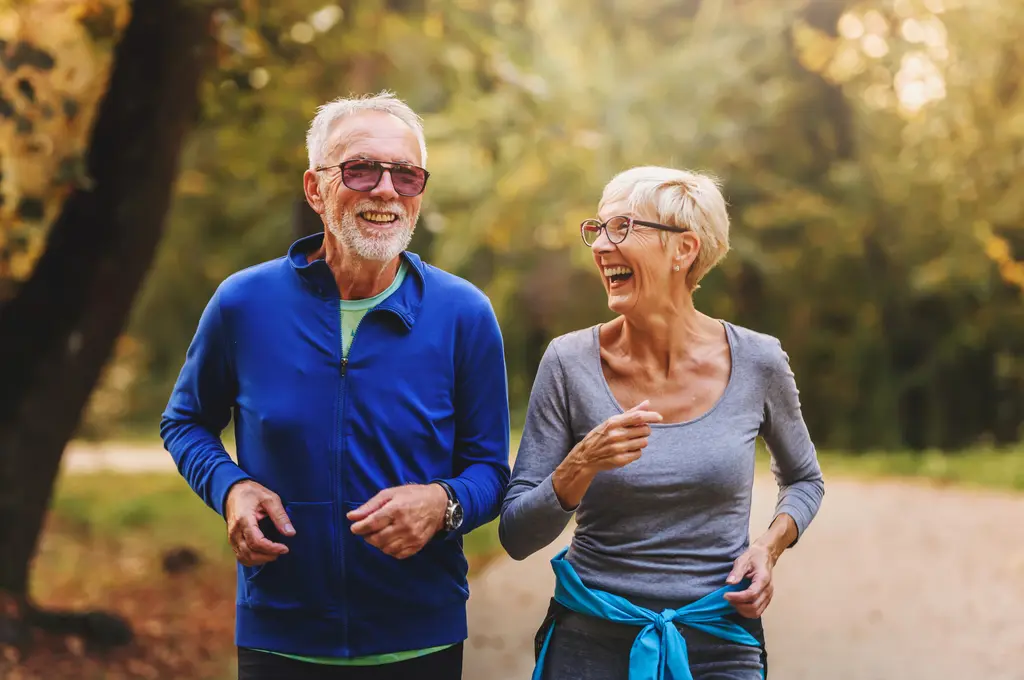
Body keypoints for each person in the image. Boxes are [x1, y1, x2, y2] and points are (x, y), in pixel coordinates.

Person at [161, 91, 511, 680]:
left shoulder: (464, 314)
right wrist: (231, 488)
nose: (385, 190)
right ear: (315, 188)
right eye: (361, 169)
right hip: (280, 639)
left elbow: (490, 472)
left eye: (406, 175)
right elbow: (185, 422)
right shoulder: (244, 304)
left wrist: (443, 504)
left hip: (419, 642)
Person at [499, 166, 825, 680]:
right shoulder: (567, 362)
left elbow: (805, 479)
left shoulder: (759, 361)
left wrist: (768, 548)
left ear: (685, 249)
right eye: (598, 229)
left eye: (623, 228)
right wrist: (579, 466)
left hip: (721, 641)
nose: (602, 246)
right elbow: (516, 536)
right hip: (590, 641)